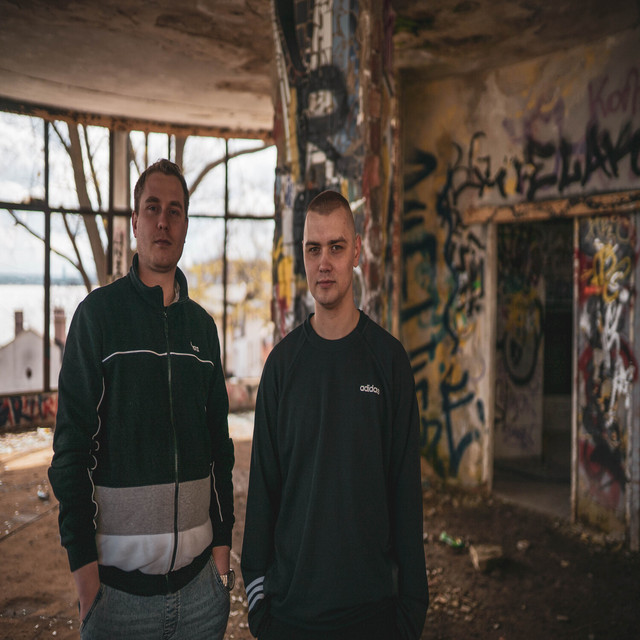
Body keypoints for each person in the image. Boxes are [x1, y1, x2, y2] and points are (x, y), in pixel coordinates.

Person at [48, 159, 235, 640]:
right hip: (118, 601)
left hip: (201, 595)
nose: (163, 221)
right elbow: (70, 454)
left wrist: (222, 559)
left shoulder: (203, 330)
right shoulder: (98, 318)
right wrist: (87, 582)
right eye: (152, 208)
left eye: (175, 211)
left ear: (186, 225)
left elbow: (220, 448)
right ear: (134, 221)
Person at [241, 190, 429, 639]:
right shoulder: (282, 367)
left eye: (336, 247)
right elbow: (263, 492)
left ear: (356, 252)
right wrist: (259, 605)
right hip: (290, 618)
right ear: (303, 258)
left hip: (374, 618)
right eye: (313, 249)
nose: (324, 263)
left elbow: (406, 495)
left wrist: (410, 612)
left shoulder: (389, 362)